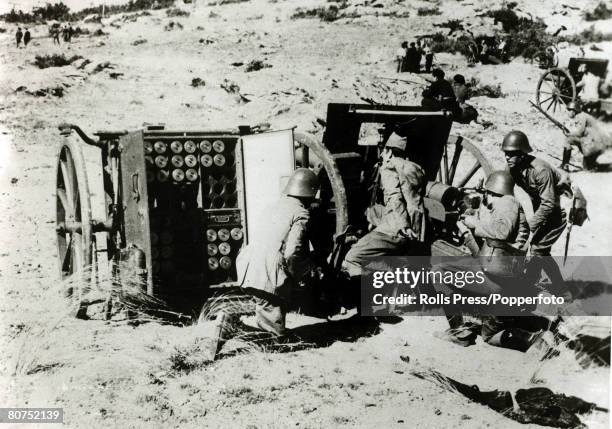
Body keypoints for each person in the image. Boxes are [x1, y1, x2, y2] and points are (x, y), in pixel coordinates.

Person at [434, 171, 542, 349]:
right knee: (490, 336)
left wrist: (474, 224)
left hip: (497, 281)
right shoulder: (507, 205)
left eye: (486, 193)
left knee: (438, 273)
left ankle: (459, 332)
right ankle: (532, 340)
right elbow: (492, 243)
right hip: (504, 282)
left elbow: (502, 231)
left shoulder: (508, 202)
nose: (484, 198)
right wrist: (468, 228)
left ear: (493, 191)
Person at [236, 168, 319, 335]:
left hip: (249, 263)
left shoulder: (273, 206)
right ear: (309, 193)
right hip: (269, 268)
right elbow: (293, 252)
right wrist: (295, 277)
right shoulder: (301, 213)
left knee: (265, 305)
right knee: (272, 312)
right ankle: (272, 342)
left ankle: (265, 336)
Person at [342, 132, 426, 277]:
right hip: (418, 228)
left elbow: (395, 198)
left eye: (384, 151)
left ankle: (394, 274)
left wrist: (403, 226)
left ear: (388, 151)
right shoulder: (416, 168)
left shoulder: (390, 167)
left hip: (397, 229)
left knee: (351, 259)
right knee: (372, 212)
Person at [502, 131, 569, 293]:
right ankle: (530, 282)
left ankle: (562, 291)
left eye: (512, 154)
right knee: (537, 248)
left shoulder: (541, 170)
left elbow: (549, 204)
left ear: (523, 155)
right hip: (543, 211)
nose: (507, 158)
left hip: (556, 214)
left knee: (539, 250)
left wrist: (528, 226)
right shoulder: (512, 168)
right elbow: (503, 189)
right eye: (506, 154)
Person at [562, 101, 612, 171]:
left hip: (593, 144)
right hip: (591, 142)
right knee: (569, 140)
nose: (568, 112)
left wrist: (569, 134)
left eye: (570, 110)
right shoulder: (580, 116)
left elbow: (580, 133)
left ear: (574, 111)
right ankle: (565, 165)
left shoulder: (581, 116)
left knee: (568, 140)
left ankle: (565, 165)